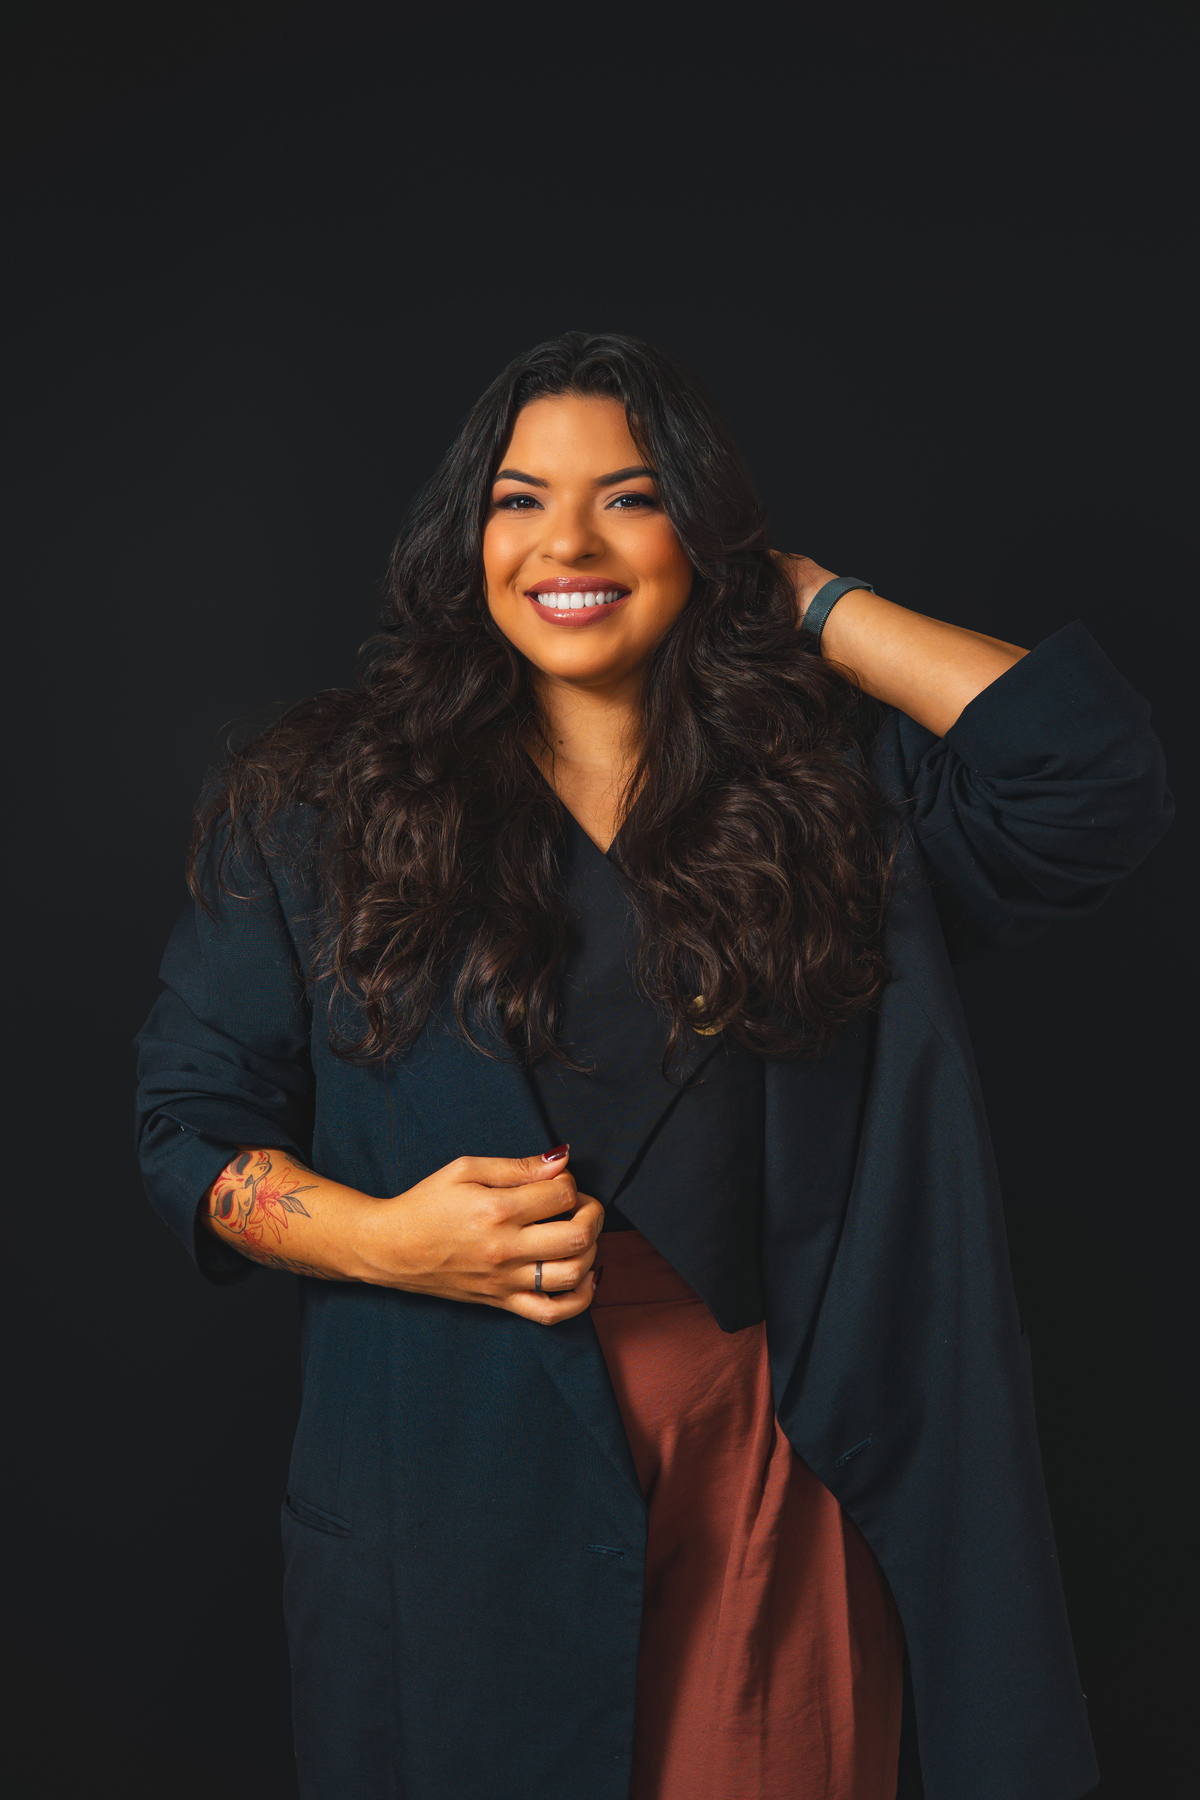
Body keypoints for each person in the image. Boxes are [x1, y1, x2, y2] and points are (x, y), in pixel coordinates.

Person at [135, 332, 1171, 1800]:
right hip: (452, 1464)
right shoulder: (312, 805)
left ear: (702, 529)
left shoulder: (831, 796)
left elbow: (1091, 773)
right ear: (467, 535)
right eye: (519, 500)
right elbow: (187, 1129)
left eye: (630, 498)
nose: (567, 543)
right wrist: (387, 1240)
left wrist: (810, 600)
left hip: (770, 1455)